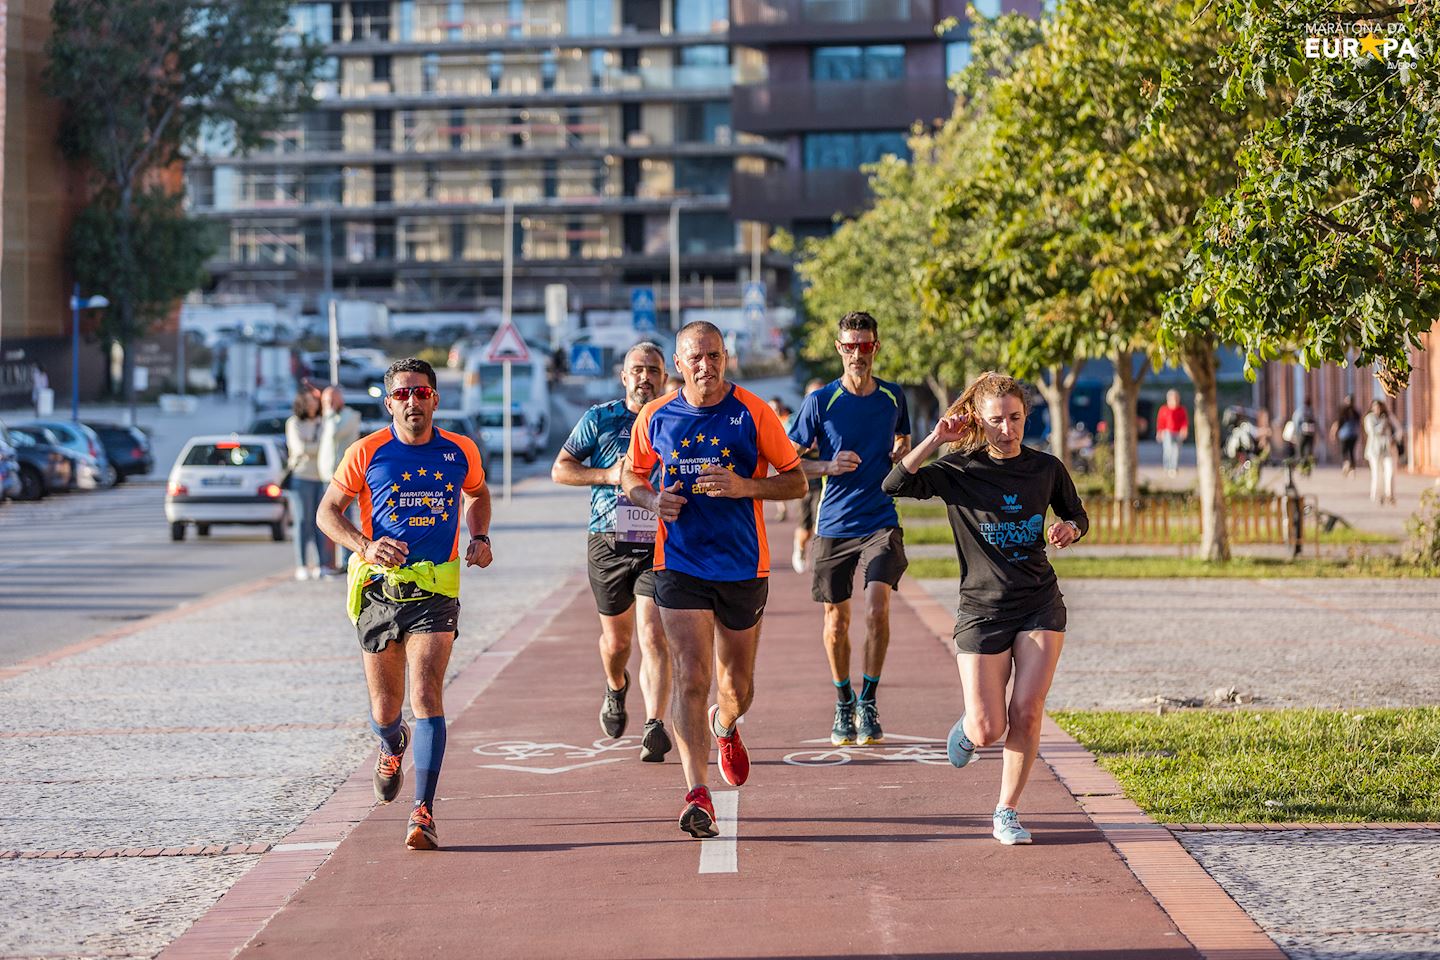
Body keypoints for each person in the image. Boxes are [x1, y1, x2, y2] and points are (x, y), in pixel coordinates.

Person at [882, 372, 1088, 846]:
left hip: (1039, 602)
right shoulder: (959, 470)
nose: (1007, 429)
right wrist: (936, 438)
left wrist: (1070, 530)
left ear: (1025, 417)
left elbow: (1076, 514)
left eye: (1015, 418)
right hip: (982, 609)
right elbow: (894, 484)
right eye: (996, 420)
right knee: (988, 726)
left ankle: (1006, 810)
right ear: (979, 419)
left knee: (1028, 711)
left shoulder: (1046, 468)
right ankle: (969, 729)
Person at [622, 321, 807, 839]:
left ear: (726, 359)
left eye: (715, 356)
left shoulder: (752, 412)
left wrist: (745, 485)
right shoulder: (656, 416)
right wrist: (653, 500)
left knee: (737, 687)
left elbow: (795, 480)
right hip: (678, 564)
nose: (706, 366)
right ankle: (696, 793)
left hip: (743, 566)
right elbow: (631, 476)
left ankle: (724, 724)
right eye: (695, 358)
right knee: (691, 673)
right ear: (678, 365)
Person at [316, 358, 492, 850]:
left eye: (420, 393)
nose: (411, 402)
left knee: (427, 696)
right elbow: (326, 512)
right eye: (401, 394)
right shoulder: (367, 451)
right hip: (379, 591)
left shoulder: (460, 451)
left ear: (435, 398)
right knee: (385, 709)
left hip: (436, 591)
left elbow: (477, 494)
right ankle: (392, 744)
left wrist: (479, 535)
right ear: (389, 401)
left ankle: (423, 811)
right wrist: (364, 545)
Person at [787, 312, 911, 748]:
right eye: (850, 346)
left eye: (866, 346)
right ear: (839, 348)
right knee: (836, 621)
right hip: (835, 522)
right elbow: (787, 461)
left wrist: (901, 451)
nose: (858, 354)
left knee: (878, 608)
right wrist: (827, 465)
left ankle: (869, 700)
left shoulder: (895, 397)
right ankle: (844, 700)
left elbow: (902, 441)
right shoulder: (821, 402)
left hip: (880, 518)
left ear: (876, 347)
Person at [551, 343, 673, 762]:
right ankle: (616, 685)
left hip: (660, 541)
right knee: (617, 641)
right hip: (608, 538)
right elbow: (560, 468)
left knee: (654, 634)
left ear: (665, 377)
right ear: (624, 377)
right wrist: (607, 475)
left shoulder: (676, 418)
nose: (645, 377)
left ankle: (654, 725)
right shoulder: (600, 419)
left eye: (653, 370)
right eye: (637, 370)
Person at [285, 388, 330, 580]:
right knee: (303, 522)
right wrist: (319, 447)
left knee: (323, 523)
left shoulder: (323, 422)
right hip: (301, 477)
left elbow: (328, 445)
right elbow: (299, 448)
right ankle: (302, 565)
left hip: (322, 476)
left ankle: (323, 564)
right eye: (309, 400)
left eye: (315, 400)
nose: (313, 404)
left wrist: (314, 447)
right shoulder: (294, 423)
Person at [319, 386, 363, 573]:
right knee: (326, 518)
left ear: (340, 400)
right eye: (325, 401)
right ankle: (327, 561)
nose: (328, 405)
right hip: (325, 474)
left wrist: (328, 413)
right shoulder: (325, 418)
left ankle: (347, 559)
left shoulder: (350, 416)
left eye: (331, 400)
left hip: (344, 476)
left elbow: (334, 433)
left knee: (344, 518)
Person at [790, 378, 827, 574]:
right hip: (804, 481)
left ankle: (822, 558)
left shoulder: (833, 420)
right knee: (805, 527)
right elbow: (787, 453)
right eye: (814, 395)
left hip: (827, 482)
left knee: (820, 523)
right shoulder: (797, 420)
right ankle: (800, 547)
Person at [1363, 399, 1399, 505]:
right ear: (1372, 408)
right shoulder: (1369, 418)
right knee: (1377, 473)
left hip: (1387, 449)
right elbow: (1372, 432)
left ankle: (1390, 494)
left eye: (1379, 407)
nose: (1377, 409)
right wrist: (1383, 423)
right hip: (1374, 450)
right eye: (1375, 407)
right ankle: (1378, 495)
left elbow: (1398, 429)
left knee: (1390, 470)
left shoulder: (1387, 416)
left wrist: (1394, 438)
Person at [767, 397, 793, 521]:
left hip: (790, 455)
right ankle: (782, 509)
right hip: (774, 456)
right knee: (777, 480)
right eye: (773, 408)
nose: (775, 410)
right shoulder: (767, 420)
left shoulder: (789, 419)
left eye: (777, 407)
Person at [1155, 390, 1188, 477]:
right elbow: (1160, 422)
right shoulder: (1164, 409)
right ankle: (1167, 467)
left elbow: (1184, 422)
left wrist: (1184, 430)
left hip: (1178, 433)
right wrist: (1159, 432)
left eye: (1176, 399)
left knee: (1176, 450)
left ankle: (1174, 468)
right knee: (1168, 450)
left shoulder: (1181, 410)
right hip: (1167, 433)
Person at [1331, 394, 1362, 476]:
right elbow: (1359, 424)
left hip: (1344, 435)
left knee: (1344, 451)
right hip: (1353, 435)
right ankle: (1352, 469)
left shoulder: (1343, 412)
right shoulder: (1356, 412)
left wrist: (1333, 433)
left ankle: (1346, 464)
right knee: (1352, 452)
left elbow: (1337, 423)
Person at [1290, 398, 1319, 462]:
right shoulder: (1311, 410)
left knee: (1301, 448)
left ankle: (1302, 463)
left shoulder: (1300, 410)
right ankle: (1307, 463)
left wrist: (1296, 433)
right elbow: (1316, 422)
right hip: (1310, 433)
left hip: (1302, 433)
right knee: (1309, 448)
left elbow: (1296, 421)